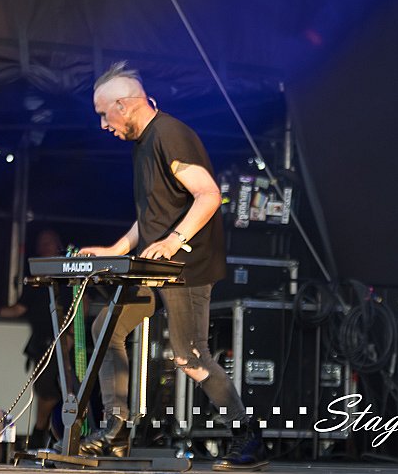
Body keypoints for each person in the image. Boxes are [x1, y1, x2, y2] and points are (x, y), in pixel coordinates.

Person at [77, 62, 265, 469]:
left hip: (185, 268)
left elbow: (208, 195)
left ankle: (247, 434)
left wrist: (174, 240)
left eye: (104, 114)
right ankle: (116, 427)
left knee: (190, 358)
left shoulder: (169, 134)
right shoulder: (144, 143)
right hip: (154, 266)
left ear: (123, 105)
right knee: (106, 328)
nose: (103, 124)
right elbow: (152, 214)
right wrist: (115, 249)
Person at [0, 228, 73, 450]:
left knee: (65, 391)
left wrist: (71, 335)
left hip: (68, 346)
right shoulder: (37, 282)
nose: (44, 247)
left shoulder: (71, 278)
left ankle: (47, 433)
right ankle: (41, 433)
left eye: (49, 242)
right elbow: (18, 309)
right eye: (41, 244)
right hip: (43, 344)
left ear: (59, 246)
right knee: (45, 389)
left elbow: (81, 306)